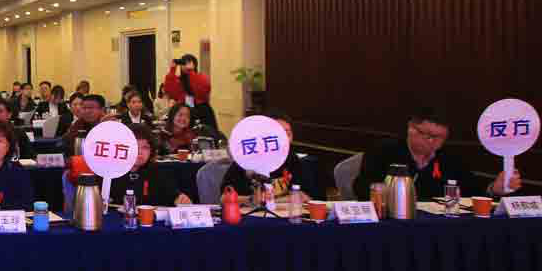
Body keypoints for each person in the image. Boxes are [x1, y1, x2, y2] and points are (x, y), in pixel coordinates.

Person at [354, 107, 522, 200]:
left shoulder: (450, 157)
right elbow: (361, 187)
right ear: (411, 129)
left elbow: (471, 189)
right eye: (427, 135)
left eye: (439, 137)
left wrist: (494, 189)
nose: (432, 142)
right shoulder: (383, 151)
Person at [220, 113, 323, 201]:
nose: (285, 138)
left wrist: (270, 201)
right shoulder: (246, 158)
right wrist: (250, 199)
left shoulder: (292, 159)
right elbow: (224, 197)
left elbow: (304, 196)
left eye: (288, 133)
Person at [108, 124, 194, 207]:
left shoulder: (158, 172)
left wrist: (181, 199)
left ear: (151, 150)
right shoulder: (110, 173)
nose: (140, 152)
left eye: (145, 147)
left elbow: (174, 195)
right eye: (134, 146)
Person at [164, 54, 217, 130]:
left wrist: (191, 72)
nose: (185, 66)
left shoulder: (201, 77)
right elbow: (170, 91)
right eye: (183, 63)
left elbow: (201, 93)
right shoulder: (178, 80)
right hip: (184, 111)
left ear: (195, 65)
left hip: (201, 112)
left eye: (188, 63)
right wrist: (172, 70)